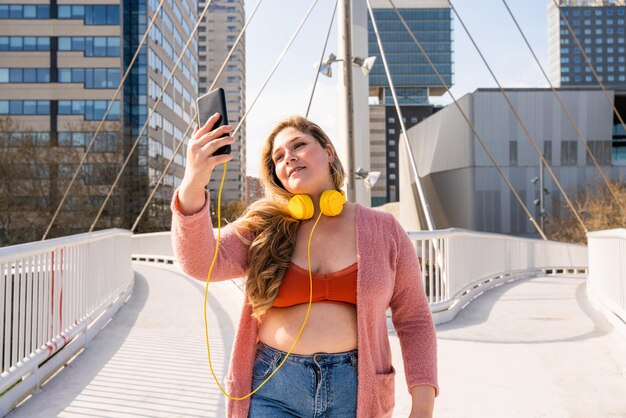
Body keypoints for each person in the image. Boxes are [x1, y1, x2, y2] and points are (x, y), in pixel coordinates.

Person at [170, 114, 438, 417]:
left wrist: (423, 405)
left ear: (328, 151)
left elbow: (414, 319)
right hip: (273, 388)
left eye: (299, 145)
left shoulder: (384, 229)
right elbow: (199, 262)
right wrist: (193, 181)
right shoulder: (264, 228)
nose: (289, 158)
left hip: (356, 391)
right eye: (279, 157)